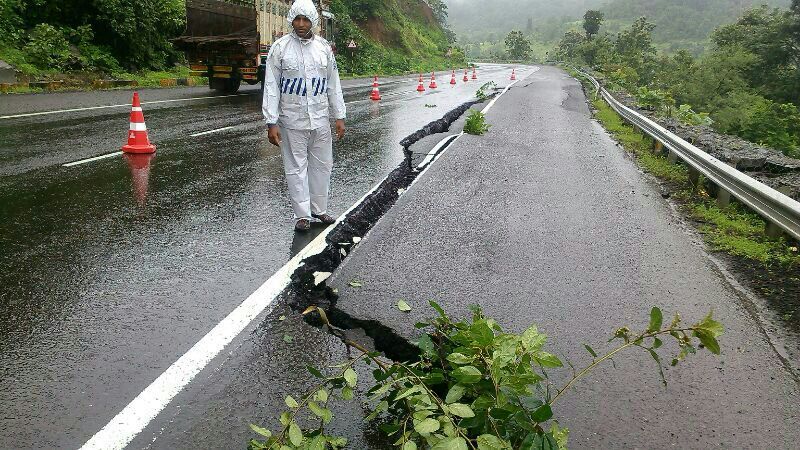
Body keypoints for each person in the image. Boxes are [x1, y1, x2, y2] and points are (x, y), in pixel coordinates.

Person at [262, 0, 346, 232]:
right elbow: (271, 86)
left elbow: (333, 84)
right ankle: (302, 215)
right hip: (292, 120)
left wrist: (339, 116)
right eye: (297, 19)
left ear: (313, 21)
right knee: (295, 167)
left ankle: (319, 210)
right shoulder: (279, 49)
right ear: (291, 19)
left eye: (306, 19)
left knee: (322, 165)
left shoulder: (324, 49)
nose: (301, 24)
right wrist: (272, 121)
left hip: (320, 119)